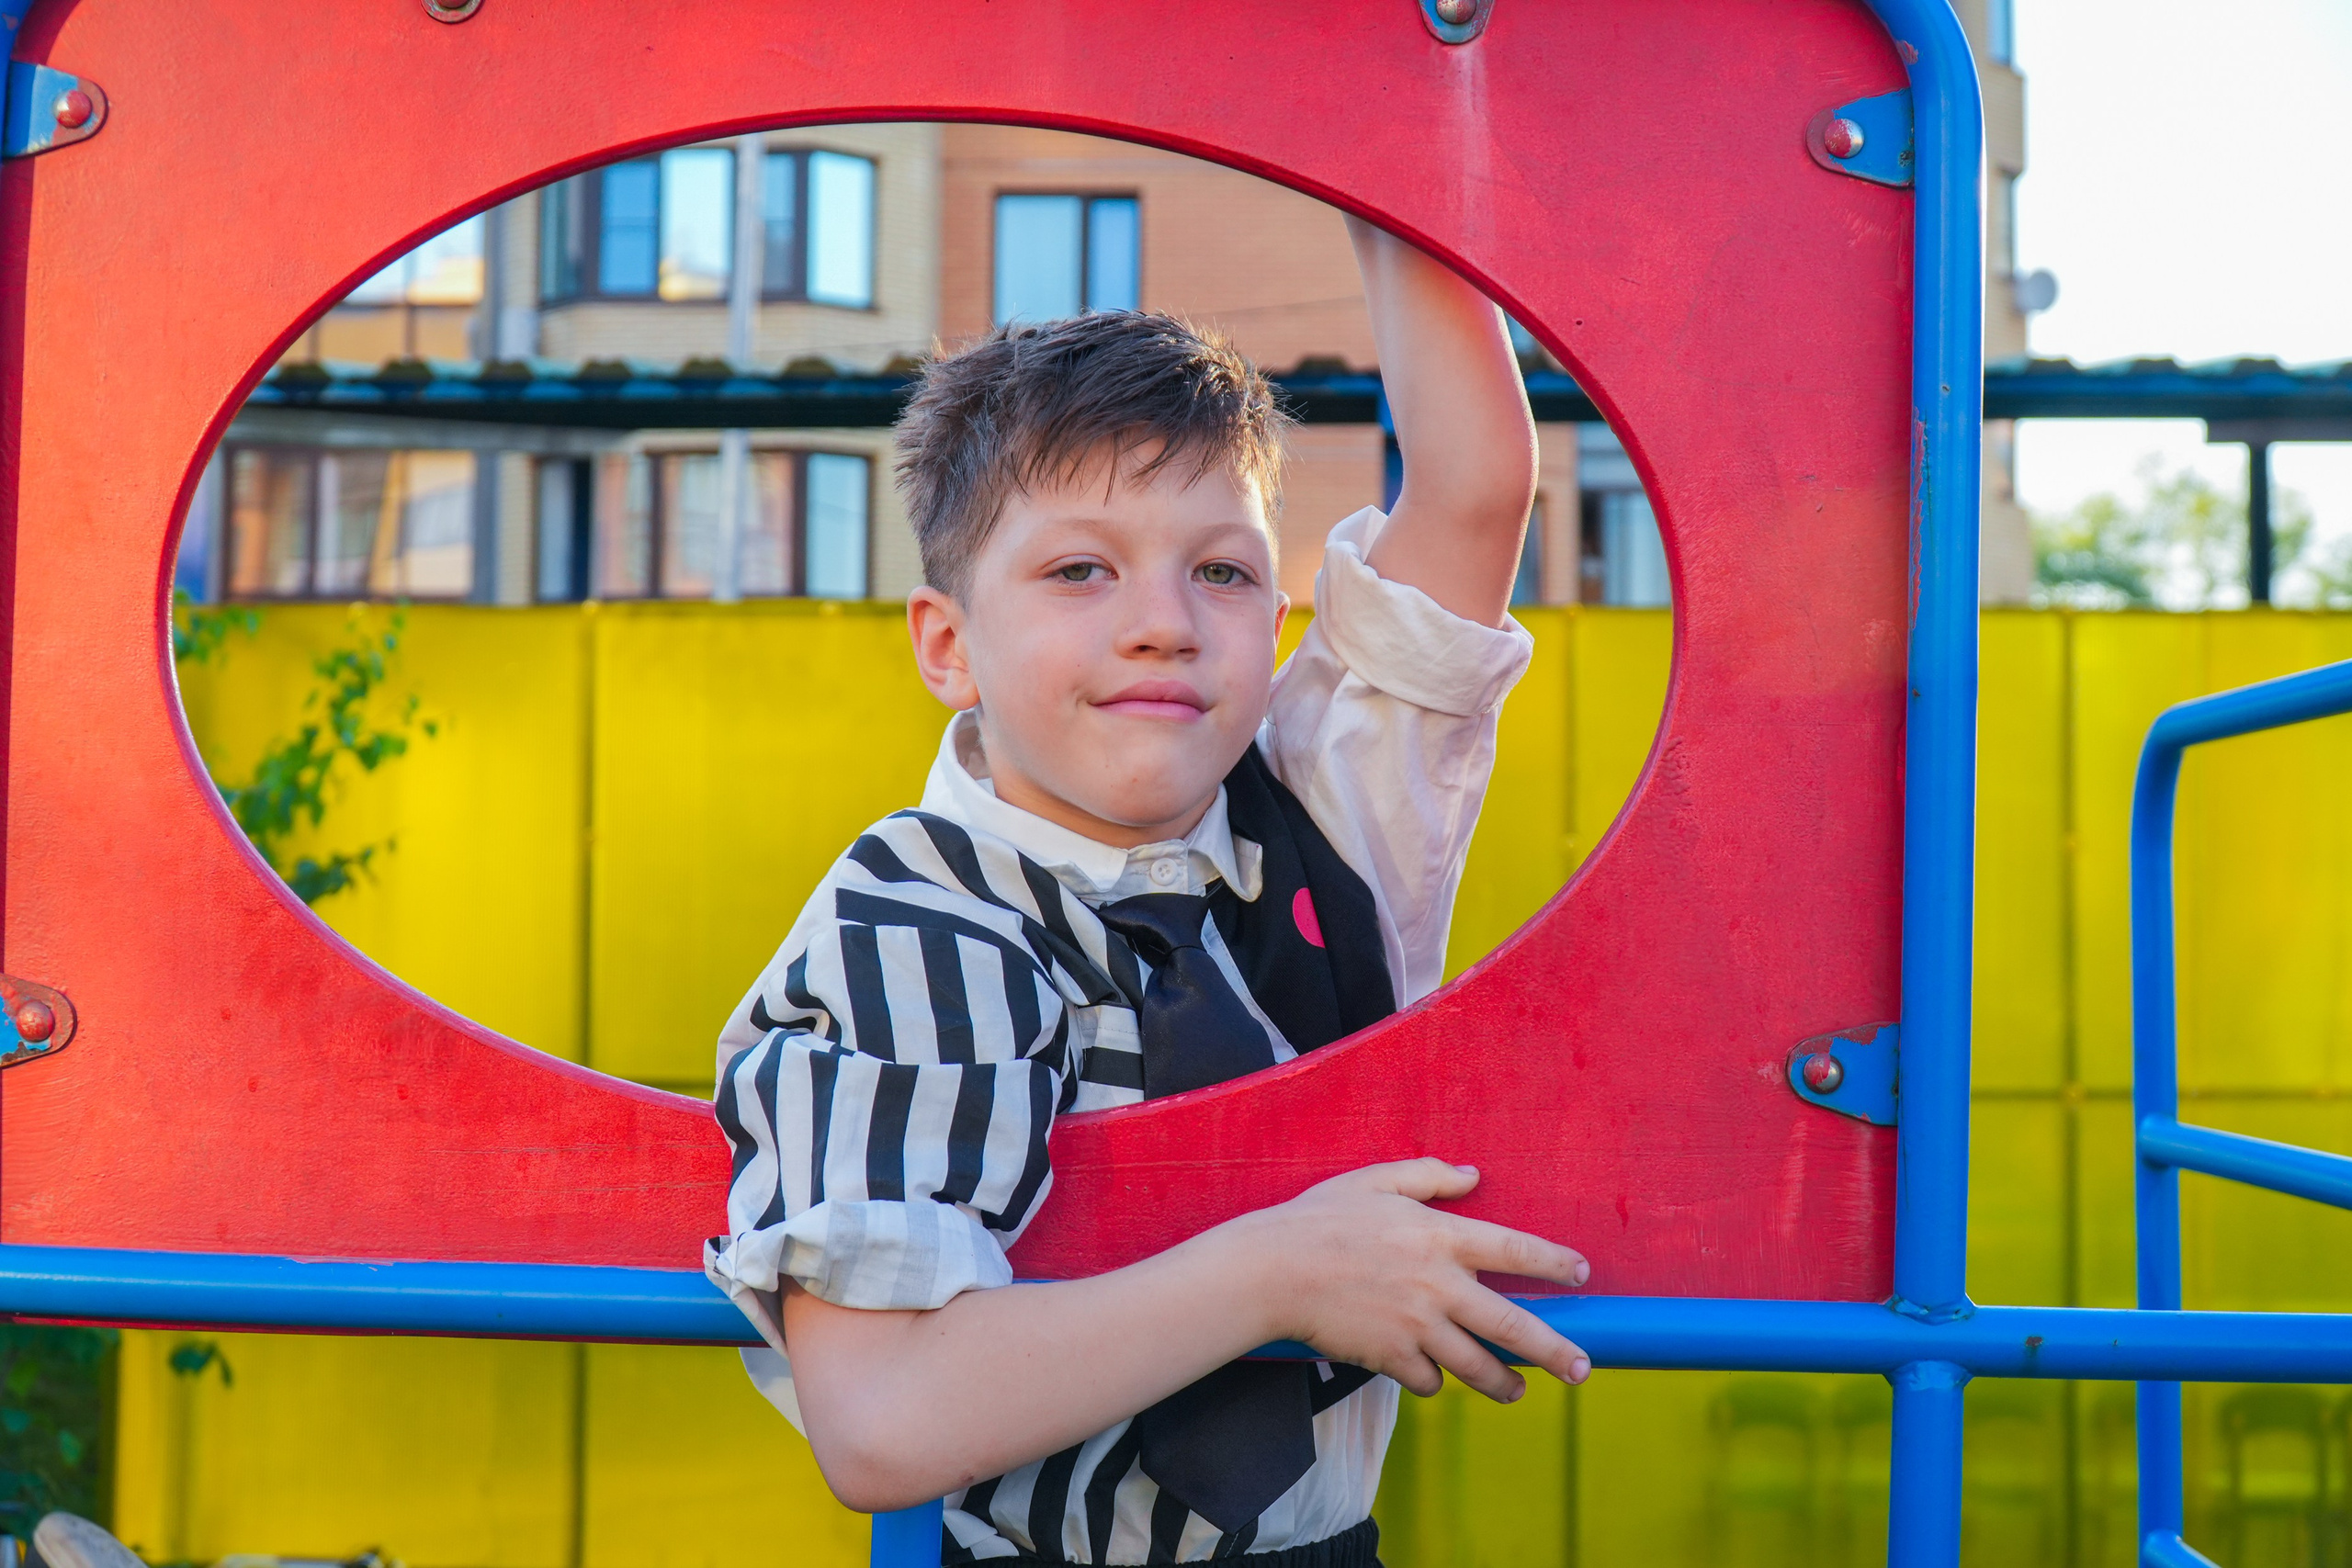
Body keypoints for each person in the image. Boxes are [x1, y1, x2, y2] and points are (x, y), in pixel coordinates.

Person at [705, 218, 1591, 1568]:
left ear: (1276, 622)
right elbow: (879, 1415)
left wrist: (1400, 148)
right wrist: (1282, 1274)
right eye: (1080, 570)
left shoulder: (1330, 819)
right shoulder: (911, 926)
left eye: (1222, 571)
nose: (1164, 620)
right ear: (948, 645)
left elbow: (1472, 489)